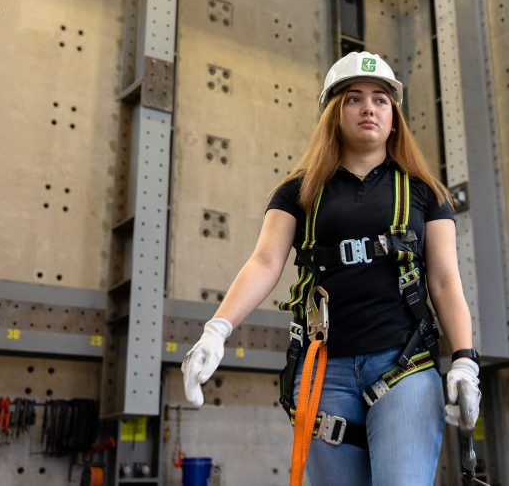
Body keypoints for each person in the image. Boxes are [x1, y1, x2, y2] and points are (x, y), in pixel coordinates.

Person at [182, 51, 480, 485]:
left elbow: (445, 280)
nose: (368, 108)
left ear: (394, 116)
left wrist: (465, 362)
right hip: (324, 371)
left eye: (381, 99)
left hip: (404, 363)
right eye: (354, 98)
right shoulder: (297, 192)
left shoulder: (425, 193)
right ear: (334, 113)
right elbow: (265, 262)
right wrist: (217, 329)